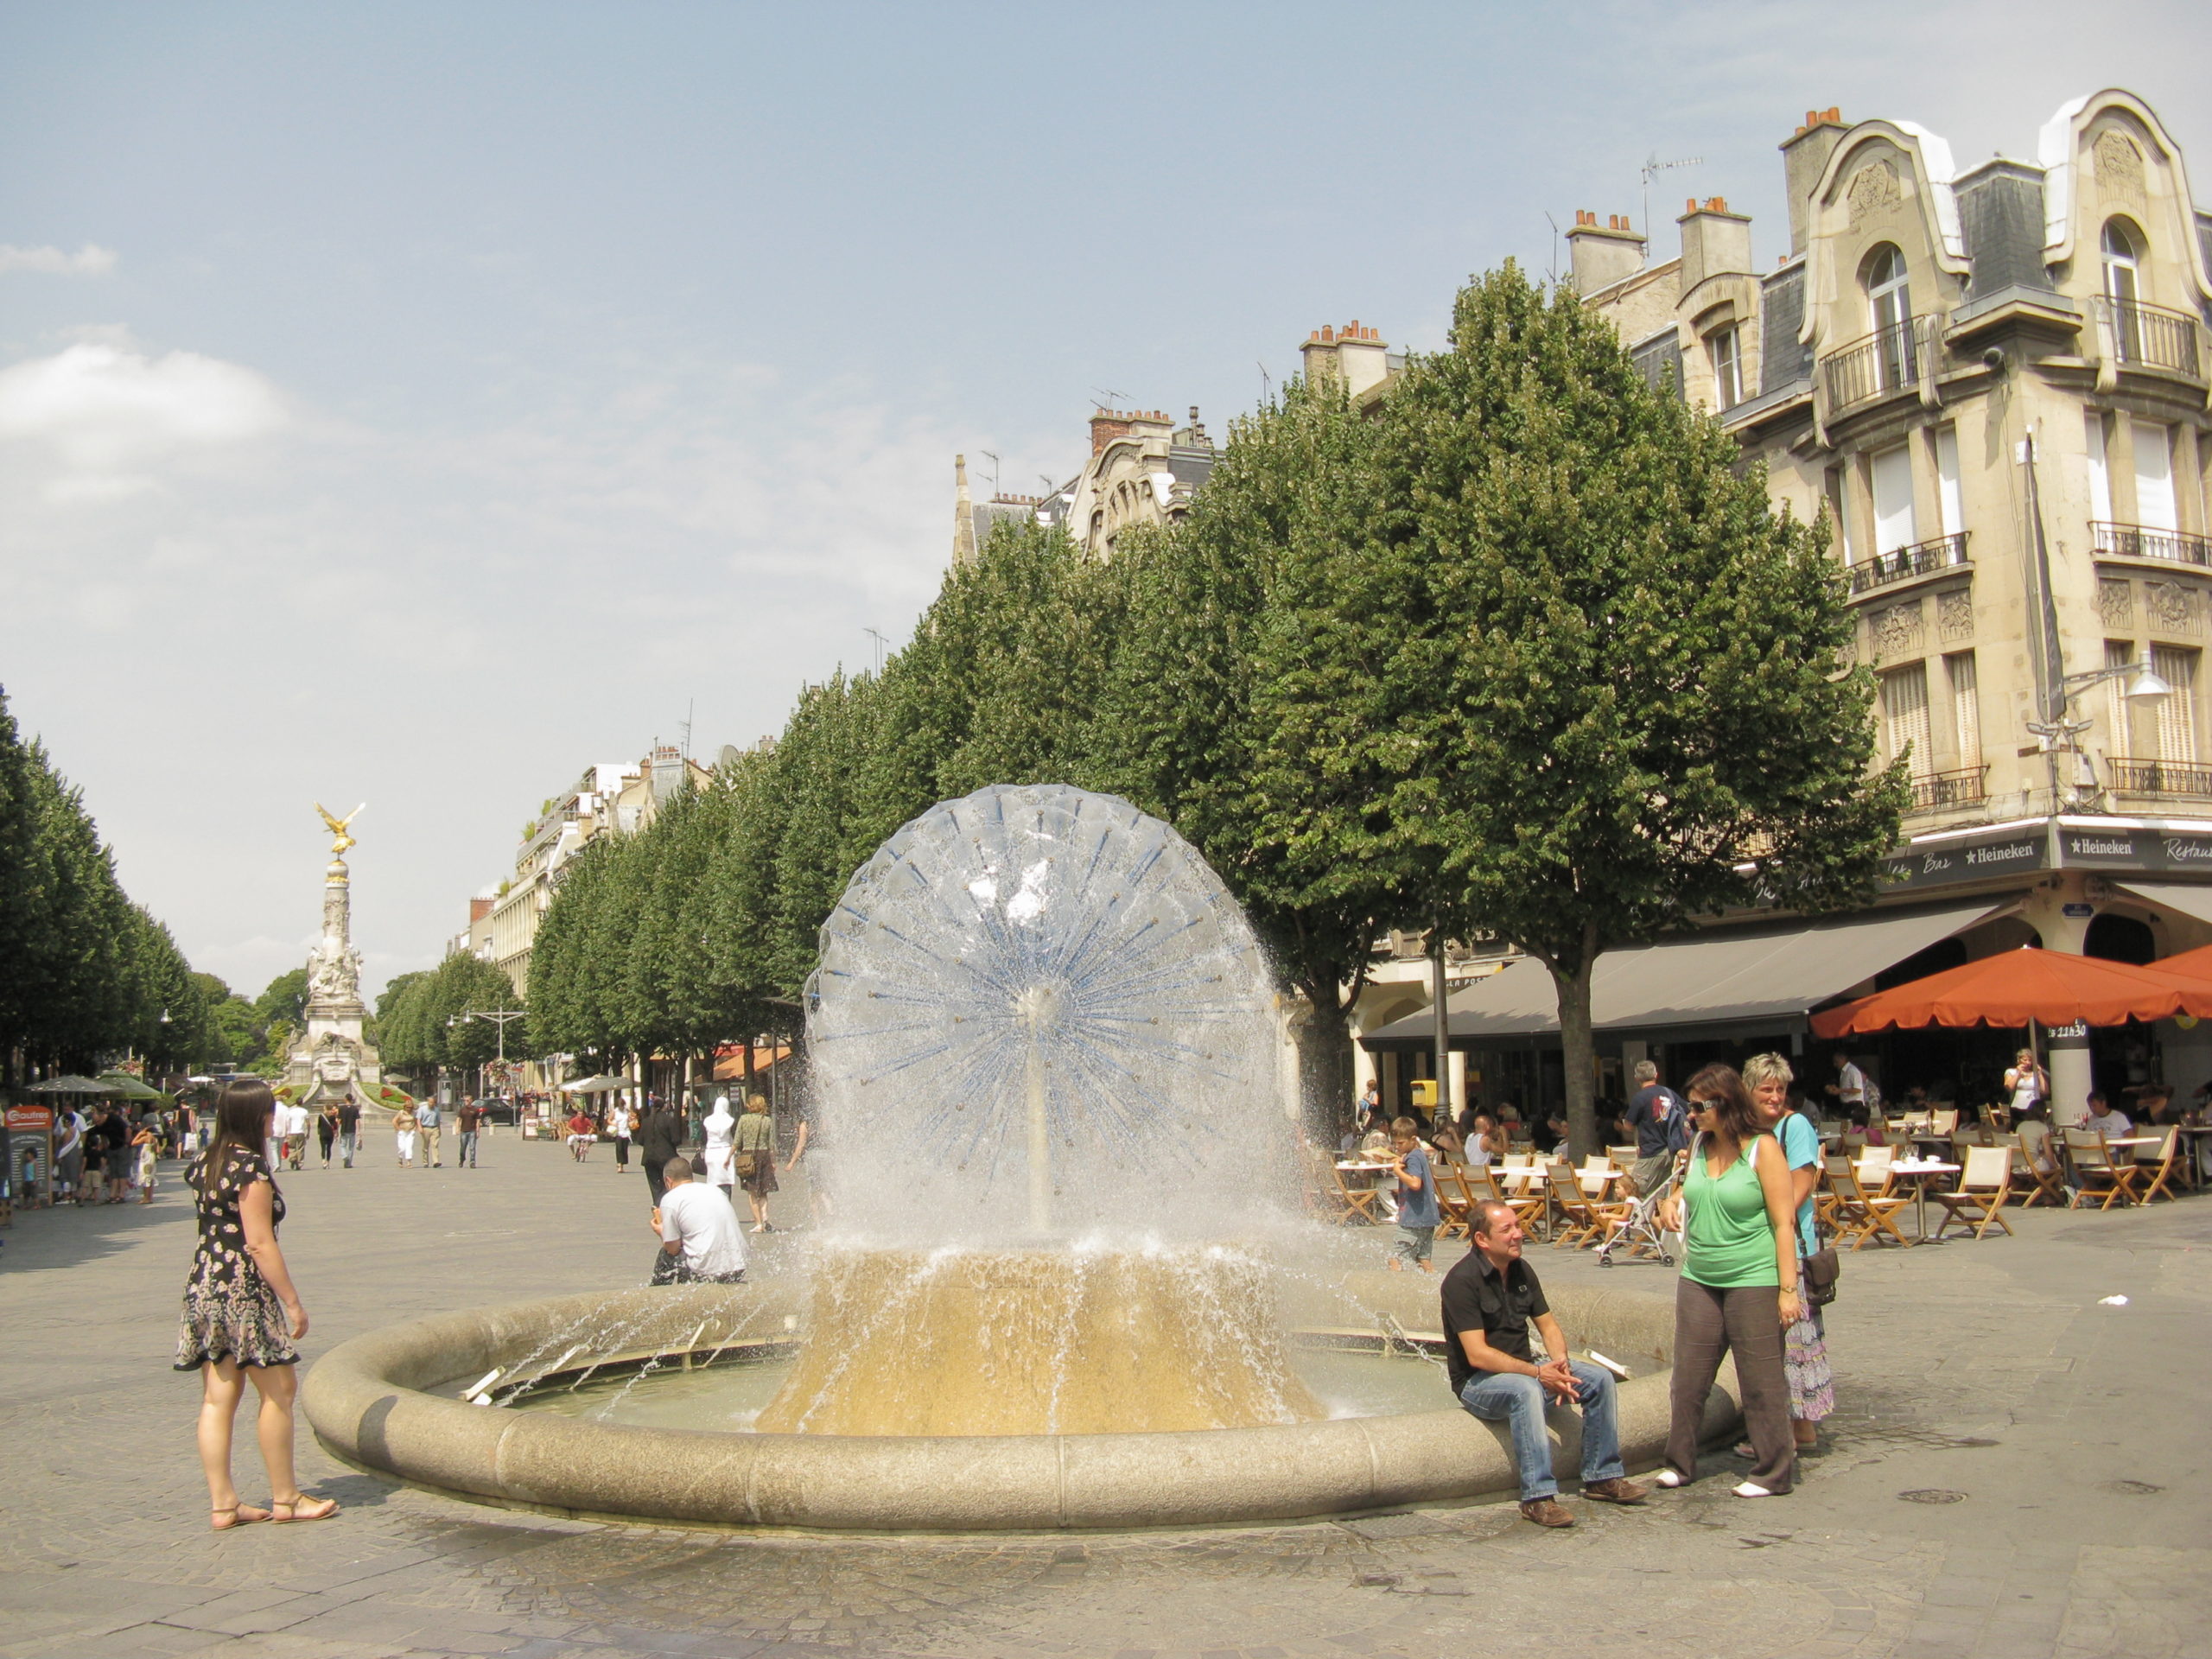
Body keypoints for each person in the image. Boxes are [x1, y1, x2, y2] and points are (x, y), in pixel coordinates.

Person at [174, 1079, 340, 1530]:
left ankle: (224, 1504)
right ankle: (286, 1497)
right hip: (243, 1288)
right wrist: (293, 1303)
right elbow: (260, 1244)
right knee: (280, 1392)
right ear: (255, 1118)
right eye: (268, 1112)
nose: (272, 1119)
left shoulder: (206, 1161)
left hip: (203, 1285)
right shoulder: (250, 1169)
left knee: (217, 1397)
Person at [1441, 1198, 1647, 1528]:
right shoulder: (1461, 1281)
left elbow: (1548, 1325)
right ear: (1482, 1239)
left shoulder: (1522, 1269)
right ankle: (1537, 1498)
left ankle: (1602, 1476)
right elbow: (1477, 1354)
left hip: (1527, 1369)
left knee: (1598, 1379)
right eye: (1506, 1229)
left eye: (1518, 1226)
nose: (1518, 1234)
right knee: (1526, 1390)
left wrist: (1561, 1365)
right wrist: (1539, 1373)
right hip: (1478, 1383)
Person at [1655, 1064, 1801, 1498]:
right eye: (1691, 1107)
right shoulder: (1700, 1144)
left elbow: (1783, 1222)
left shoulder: (1763, 1149)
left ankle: (1772, 1471)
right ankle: (1679, 1463)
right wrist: (1670, 1201)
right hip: (1699, 1275)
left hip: (1753, 1277)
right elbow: (1694, 1189)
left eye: (1700, 1106)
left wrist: (1788, 1290)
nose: (1692, 1114)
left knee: (1760, 1379)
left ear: (1726, 1103)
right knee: (1688, 1378)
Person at [1743, 1054, 1831, 1458]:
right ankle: (1795, 1429)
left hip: (1791, 1250)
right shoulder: (1746, 1132)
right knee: (1782, 1343)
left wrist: (1761, 1218)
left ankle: (1798, 1430)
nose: (1775, 1096)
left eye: (1780, 1088)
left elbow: (1801, 1187)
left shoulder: (1793, 1126)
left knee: (1795, 1340)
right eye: (1767, 1088)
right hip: (1764, 1250)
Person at [650, 1158, 750, 1284]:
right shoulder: (715, 1190)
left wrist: (661, 1231)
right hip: (738, 1266)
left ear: (668, 1181)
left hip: (707, 1270)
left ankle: (658, 1298)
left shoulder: (670, 1199)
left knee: (666, 1256)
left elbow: (672, 1248)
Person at [1625, 1061, 1688, 1198]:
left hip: (1650, 1152)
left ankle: (1639, 1220)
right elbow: (1687, 1111)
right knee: (1660, 1196)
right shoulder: (1669, 1093)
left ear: (1636, 1078)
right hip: (1670, 1152)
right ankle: (1658, 1218)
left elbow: (1628, 1125)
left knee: (1633, 1192)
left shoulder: (1639, 1098)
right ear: (1656, 1075)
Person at [1385, 1116, 1440, 1273]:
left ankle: (1397, 1292)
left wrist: (1397, 1171)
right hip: (1427, 1217)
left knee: (1395, 1258)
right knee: (1423, 1259)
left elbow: (1416, 1183)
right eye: (1394, 1143)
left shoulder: (1413, 1157)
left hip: (1413, 1219)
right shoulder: (1419, 1154)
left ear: (1413, 1139)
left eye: (1401, 1143)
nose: (1397, 1147)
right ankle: (1437, 1288)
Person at [735, 1092, 779, 1232]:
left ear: (750, 1105)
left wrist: (728, 1157)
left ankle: (759, 1223)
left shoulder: (743, 1119)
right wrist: (773, 1162)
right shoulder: (767, 1121)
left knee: (752, 1191)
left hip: (748, 1157)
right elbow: (771, 1144)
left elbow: (737, 1141)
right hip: (764, 1155)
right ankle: (765, 1217)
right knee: (764, 1190)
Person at [788, 1092, 829, 1224]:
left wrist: (792, 1162)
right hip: (827, 1155)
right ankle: (830, 1209)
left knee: (814, 1190)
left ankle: (818, 1223)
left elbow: (800, 1145)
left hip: (812, 1158)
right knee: (825, 1186)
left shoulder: (805, 1125)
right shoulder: (824, 1123)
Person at [638, 1096, 682, 1208]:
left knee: (654, 1185)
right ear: (664, 1106)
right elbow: (676, 1139)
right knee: (667, 1183)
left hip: (649, 1158)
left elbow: (640, 1140)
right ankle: (661, 1204)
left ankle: (657, 1204)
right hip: (666, 1157)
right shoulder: (669, 1120)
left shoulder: (646, 1121)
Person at [701, 1095, 736, 1199]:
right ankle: (726, 1203)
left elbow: (703, 1138)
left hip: (711, 1152)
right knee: (725, 1182)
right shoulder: (730, 1121)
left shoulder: (707, 1121)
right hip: (726, 1153)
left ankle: (714, 1203)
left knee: (712, 1181)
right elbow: (735, 1137)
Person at [101, 1103, 135, 1203]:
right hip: (113, 1148)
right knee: (114, 1172)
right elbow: (103, 1134)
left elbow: (128, 1130)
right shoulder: (109, 1122)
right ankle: (113, 1194)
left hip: (120, 1148)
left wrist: (126, 1143)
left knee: (121, 1172)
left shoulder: (120, 1121)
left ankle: (121, 1194)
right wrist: (106, 1145)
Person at [2004, 1050, 2048, 1122]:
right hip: (2018, 1107)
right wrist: (2018, 1073)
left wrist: (2040, 1074)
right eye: (2025, 1060)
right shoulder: (2011, 1072)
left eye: (2030, 1060)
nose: (2027, 1062)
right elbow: (2009, 1087)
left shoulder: (2035, 1074)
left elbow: (2044, 1091)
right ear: (2019, 1060)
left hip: (2034, 1108)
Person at [1824, 1051, 1868, 1122]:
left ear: (1843, 1059)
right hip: (1846, 1105)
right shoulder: (1843, 1072)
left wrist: (1840, 1090)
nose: (1835, 1064)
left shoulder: (1852, 1071)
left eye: (1836, 1062)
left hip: (1854, 1105)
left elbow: (1858, 1090)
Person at [54, 1105, 85, 1204]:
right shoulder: (76, 1131)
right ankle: (74, 1196)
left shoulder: (67, 1132)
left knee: (65, 1175)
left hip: (68, 1155)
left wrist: (60, 1156)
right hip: (76, 1155)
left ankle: (66, 1197)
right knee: (74, 1176)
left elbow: (65, 1146)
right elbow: (80, 1145)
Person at [131, 1111, 160, 1205]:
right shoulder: (154, 1138)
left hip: (145, 1159)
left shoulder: (146, 1137)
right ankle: (150, 1197)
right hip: (152, 1158)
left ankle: (145, 1198)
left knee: (145, 1177)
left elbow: (133, 1143)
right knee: (150, 1178)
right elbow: (158, 1150)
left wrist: (140, 1134)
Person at [416, 1096, 443, 1168]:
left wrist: (439, 1130)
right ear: (428, 1102)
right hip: (425, 1128)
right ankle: (425, 1162)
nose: (432, 1104)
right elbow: (418, 1119)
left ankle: (436, 1162)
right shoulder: (422, 1109)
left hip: (434, 1128)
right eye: (430, 1102)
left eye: (433, 1102)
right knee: (425, 1146)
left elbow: (438, 1121)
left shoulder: (436, 1110)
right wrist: (419, 1127)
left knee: (435, 1145)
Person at [456, 1097, 483, 1167]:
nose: (466, 1102)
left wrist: (478, 1131)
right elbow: (458, 1119)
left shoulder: (475, 1109)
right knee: (463, 1148)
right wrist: (457, 1128)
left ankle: (472, 1162)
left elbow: (478, 1121)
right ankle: (462, 1159)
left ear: (471, 1101)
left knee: (472, 1147)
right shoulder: (462, 1109)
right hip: (463, 1131)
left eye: (467, 1100)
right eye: (465, 1100)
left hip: (472, 1131)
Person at [335, 1098, 359, 1169]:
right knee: (351, 1147)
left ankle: (344, 1156)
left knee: (342, 1145)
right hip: (352, 1130)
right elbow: (357, 1120)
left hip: (344, 1130)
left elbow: (339, 1120)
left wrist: (336, 1130)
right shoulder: (355, 1109)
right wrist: (359, 1131)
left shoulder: (341, 1108)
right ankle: (348, 1164)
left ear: (346, 1099)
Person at [393, 1101, 418, 1166]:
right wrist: (398, 1129)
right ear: (405, 1107)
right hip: (402, 1131)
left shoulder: (414, 1113)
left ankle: (409, 1162)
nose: (409, 1109)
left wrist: (415, 1129)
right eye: (408, 1107)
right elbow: (394, 1121)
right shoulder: (401, 1112)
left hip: (410, 1132)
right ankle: (400, 1159)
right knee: (402, 1147)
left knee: (409, 1146)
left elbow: (417, 1121)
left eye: (411, 1107)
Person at [610, 1101, 632, 1173]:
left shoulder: (627, 1110)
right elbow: (609, 1120)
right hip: (618, 1132)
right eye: (620, 1106)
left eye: (622, 1106)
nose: (621, 1107)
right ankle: (619, 1165)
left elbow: (633, 1117)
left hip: (626, 1132)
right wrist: (613, 1124)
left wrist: (631, 1118)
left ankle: (622, 1164)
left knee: (624, 1149)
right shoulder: (615, 1111)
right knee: (619, 1148)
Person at [315, 1103, 337, 1167]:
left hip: (323, 1134)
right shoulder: (333, 1116)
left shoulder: (321, 1116)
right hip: (330, 1134)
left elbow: (319, 1125)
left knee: (323, 1148)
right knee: (329, 1148)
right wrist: (336, 1133)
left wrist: (319, 1132)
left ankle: (323, 1161)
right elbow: (335, 1126)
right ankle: (328, 1162)